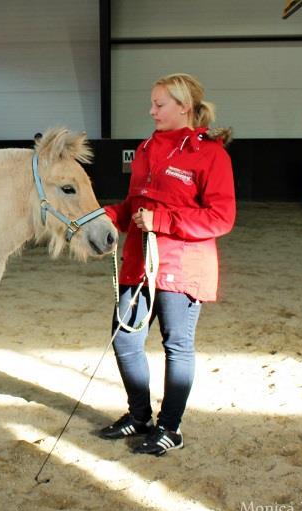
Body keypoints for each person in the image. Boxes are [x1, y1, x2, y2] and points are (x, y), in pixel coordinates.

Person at [98, 73, 236, 456]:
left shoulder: (210, 154)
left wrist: (164, 223)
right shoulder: (146, 149)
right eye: (153, 103)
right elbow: (133, 206)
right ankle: (139, 416)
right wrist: (106, 218)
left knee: (177, 346)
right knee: (124, 339)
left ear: (183, 107)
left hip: (183, 266)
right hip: (138, 263)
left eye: (159, 104)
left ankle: (170, 428)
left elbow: (221, 217)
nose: (151, 110)